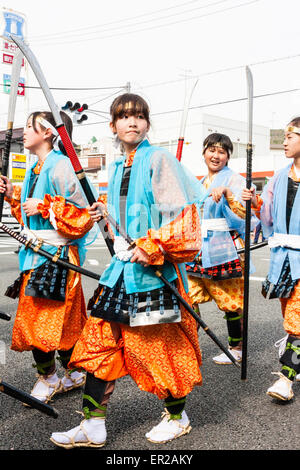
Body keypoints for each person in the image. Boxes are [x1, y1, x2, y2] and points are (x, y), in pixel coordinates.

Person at [50, 93, 207, 449]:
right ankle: (92, 425)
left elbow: (183, 218)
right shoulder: (118, 166)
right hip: (120, 273)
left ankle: (177, 415)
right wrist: (105, 218)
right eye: (124, 116)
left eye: (138, 116)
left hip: (156, 274)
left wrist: (150, 245)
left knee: (158, 350)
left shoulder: (159, 158)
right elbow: (124, 224)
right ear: (113, 126)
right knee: (98, 344)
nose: (132, 122)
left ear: (147, 124)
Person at [0, 110, 97, 404]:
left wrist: (45, 206)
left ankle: (51, 377)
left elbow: (85, 215)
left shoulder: (63, 166)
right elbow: (27, 217)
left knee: (43, 323)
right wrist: (11, 197)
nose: (24, 131)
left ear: (48, 133)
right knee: (55, 323)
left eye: (30, 126)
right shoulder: (34, 169)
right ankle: (70, 373)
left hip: (56, 257)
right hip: (37, 254)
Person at [242, 118, 300, 401]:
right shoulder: (279, 176)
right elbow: (266, 214)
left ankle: (285, 380)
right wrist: (254, 201)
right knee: (289, 313)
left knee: (297, 321)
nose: (285, 141)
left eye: (291, 135)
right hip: (283, 259)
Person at [186, 133, 255, 365]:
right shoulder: (199, 182)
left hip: (225, 244)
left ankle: (236, 347)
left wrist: (228, 193)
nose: (216, 156)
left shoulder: (235, 179)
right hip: (199, 246)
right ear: (204, 152)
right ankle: (189, 345)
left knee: (230, 300)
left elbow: (246, 216)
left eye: (222, 152)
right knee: (188, 296)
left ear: (228, 156)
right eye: (212, 150)